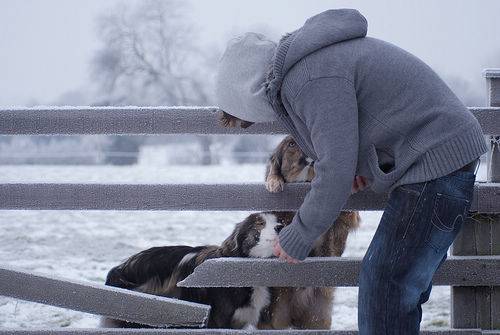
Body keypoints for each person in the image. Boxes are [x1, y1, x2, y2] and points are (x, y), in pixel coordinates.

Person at [215, 9, 488, 334]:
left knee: (384, 285)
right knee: (395, 289)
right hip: (436, 160)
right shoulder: (310, 68)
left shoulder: (311, 78)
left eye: (246, 115)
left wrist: (299, 235)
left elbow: (334, 168)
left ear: (249, 92)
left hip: (436, 161)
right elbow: (361, 124)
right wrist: (362, 163)